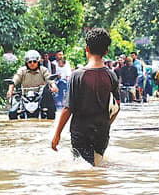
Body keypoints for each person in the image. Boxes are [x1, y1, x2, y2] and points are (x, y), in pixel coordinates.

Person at [51, 28, 121, 166]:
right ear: (106, 51)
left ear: (86, 48)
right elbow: (117, 107)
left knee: (82, 169)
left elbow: (68, 109)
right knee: (97, 166)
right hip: (102, 132)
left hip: (80, 132)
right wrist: (106, 124)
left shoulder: (77, 75)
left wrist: (57, 134)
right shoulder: (111, 75)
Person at [7, 50, 57, 119]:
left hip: (40, 97)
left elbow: (49, 79)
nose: (32, 63)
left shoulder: (43, 70)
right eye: (30, 62)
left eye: (34, 61)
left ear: (38, 62)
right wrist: (10, 90)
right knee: (12, 112)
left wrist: (54, 87)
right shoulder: (22, 71)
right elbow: (14, 80)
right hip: (25, 97)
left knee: (51, 110)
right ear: (26, 63)